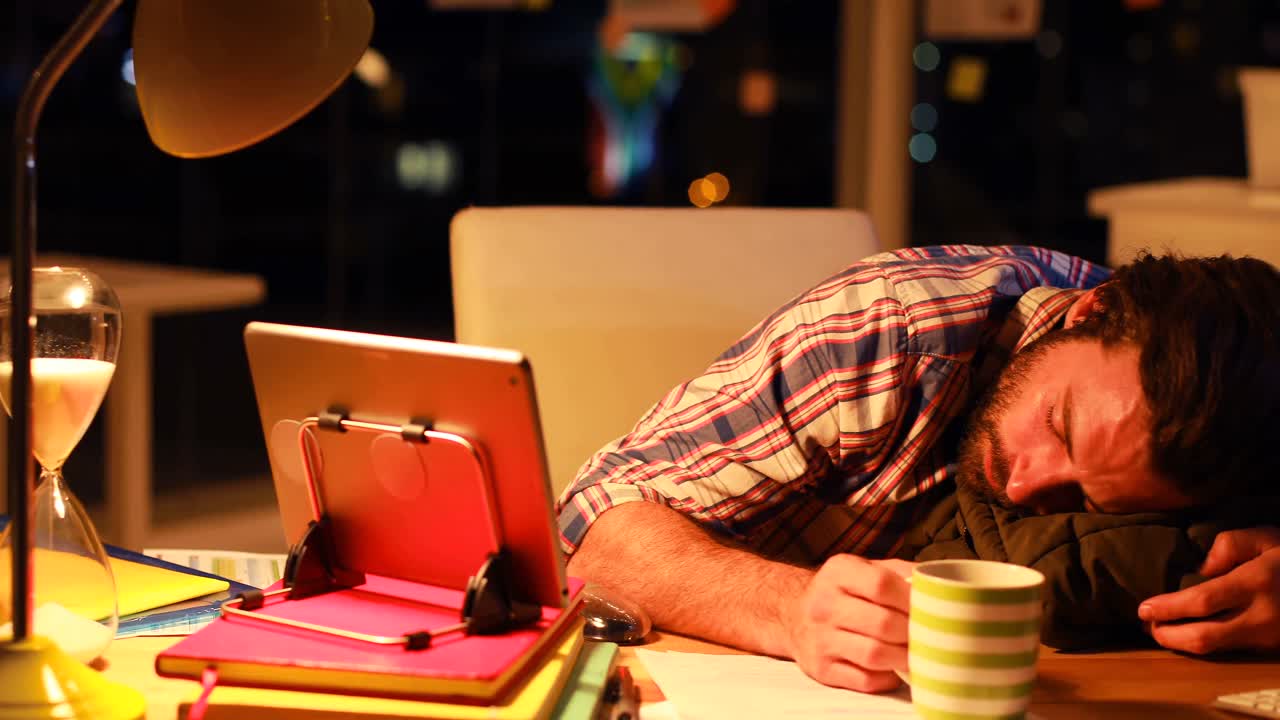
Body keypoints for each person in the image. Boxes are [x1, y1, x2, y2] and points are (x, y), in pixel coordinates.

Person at [554, 244, 1280, 692]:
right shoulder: (893, 328)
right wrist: (791, 608)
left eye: (1087, 498)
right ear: (1088, 312)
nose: (1027, 486)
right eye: (1057, 427)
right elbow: (590, 526)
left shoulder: (1228, 409)